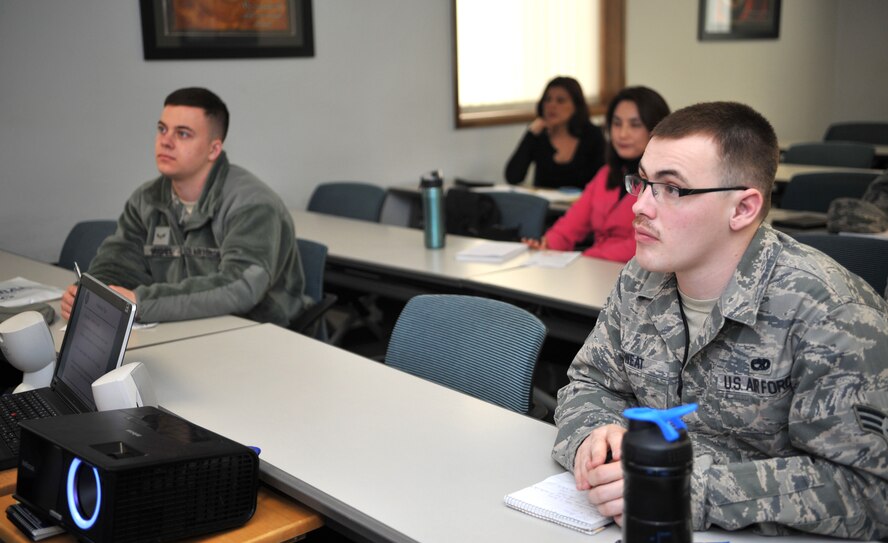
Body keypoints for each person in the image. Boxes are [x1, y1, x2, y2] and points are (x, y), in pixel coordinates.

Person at [552, 101, 888, 539]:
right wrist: (594, 440)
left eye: (672, 189)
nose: (640, 207)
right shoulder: (642, 278)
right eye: (643, 182)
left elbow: (870, 491)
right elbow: (588, 384)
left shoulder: (832, 314)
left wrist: (681, 488)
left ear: (743, 209)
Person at [60, 87, 309, 327]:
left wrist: (142, 302)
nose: (165, 142)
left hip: (257, 333)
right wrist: (95, 294)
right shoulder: (146, 198)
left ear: (214, 149)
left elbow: (240, 287)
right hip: (182, 327)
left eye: (183, 134)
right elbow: (118, 262)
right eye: (162, 129)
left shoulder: (252, 203)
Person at [523, 86, 670, 262]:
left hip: (636, 275)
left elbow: (639, 246)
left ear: (655, 129)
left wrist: (583, 258)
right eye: (616, 123)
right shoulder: (606, 174)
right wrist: (547, 245)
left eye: (635, 125)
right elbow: (571, 224)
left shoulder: (665, 184)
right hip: (595, 269)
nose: (622, 134)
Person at [504, 76, 606, 190]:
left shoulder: (592, 134)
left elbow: (604, 182)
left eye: (560, 100)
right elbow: (512, 177)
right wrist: (530, 135)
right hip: (546, 206)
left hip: (582, 205)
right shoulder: (538, 134)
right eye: (547, 99)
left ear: (576, 106)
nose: (552, 105)